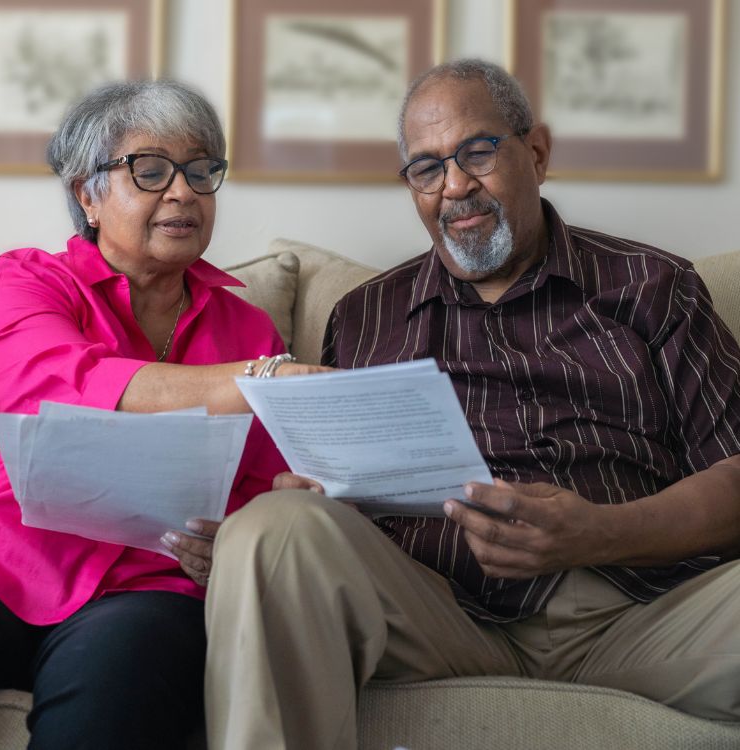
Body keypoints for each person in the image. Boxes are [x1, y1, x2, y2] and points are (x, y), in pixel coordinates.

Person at [202, 59, 740, 749]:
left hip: (641, 610)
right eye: (426, 168)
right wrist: (315, 495)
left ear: (536, 153)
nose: (455, 186)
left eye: (477, 152)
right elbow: (334, 500)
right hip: (441, 613)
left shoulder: (654, 287)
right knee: (272, 526)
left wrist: (600, 532)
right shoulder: (366, 317)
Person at [0, 79, 323, 750]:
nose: (183, 192)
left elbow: (264, 484)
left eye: (200, 170)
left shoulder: (250, 329)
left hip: (148, 589)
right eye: (150, 170)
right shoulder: (31, 280)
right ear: (87, 194)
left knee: (127, 678)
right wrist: (252, 381)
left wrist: (238, 540)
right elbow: (51, 385)